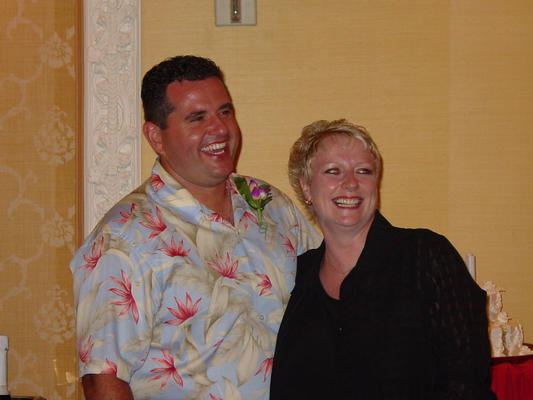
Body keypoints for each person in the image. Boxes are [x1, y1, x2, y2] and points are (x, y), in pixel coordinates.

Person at [70, 55, 321, 400]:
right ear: (156, 137)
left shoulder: (270, 204)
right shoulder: (123, 238)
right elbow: (103, 380)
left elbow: (328, 301)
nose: (220, 129)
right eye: (197, 118)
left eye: (225, 112)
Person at [270, 119, 496, 399]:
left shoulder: (426, 257)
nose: (351, 183)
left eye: (363, 171)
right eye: (333, 171)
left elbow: (467, 383)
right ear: (306, 188)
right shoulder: (299, 276)